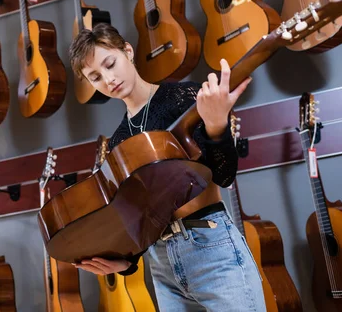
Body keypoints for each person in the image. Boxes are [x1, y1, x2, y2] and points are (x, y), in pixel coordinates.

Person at [70, 23, 266, 312]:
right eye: (96, 77)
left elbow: (224, 175)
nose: (108, 79)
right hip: (161, 264)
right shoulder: (117, 143)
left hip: (211, 248)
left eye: (110, 64)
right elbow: (140, 216)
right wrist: (126, 262)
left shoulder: (185, 98)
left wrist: (216, 126)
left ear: (128, 51)